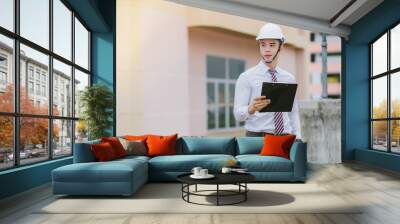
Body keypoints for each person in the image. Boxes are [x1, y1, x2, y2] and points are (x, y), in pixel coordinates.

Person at [233, 23, 301, 139]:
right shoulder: (246, 77)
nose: (267, 50)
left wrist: (298, 137)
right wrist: (251, 109)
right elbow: (238, 115)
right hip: (257, 139)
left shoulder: (289, 78)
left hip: (284, 138)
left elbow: (293, 112)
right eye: (263, 45)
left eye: (272, 45)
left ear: (281, 46)